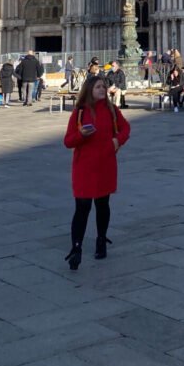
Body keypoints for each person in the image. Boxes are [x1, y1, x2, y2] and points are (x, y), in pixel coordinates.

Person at [63, 75, 130, 270]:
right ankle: (76, 248)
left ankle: (101, 239)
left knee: (103, 204)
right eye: (99, 86)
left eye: (104, 86)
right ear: (90, 89)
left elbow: (125, 128)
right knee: (82, 207)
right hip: (84, 166)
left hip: (106, 164)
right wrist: (81, 135)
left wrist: (117, 141)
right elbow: (68, 141)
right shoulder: (79, 112)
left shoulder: (112, 110)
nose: (103, 89)